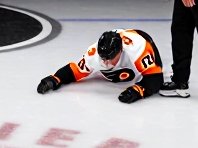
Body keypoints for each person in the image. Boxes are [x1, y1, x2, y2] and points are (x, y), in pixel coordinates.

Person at [36, 29, 164, 104]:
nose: (106, 62)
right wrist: (55, 79)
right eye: (103, 58)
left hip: (141, 37)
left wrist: (138, 91)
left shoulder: (137, 47)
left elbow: (156, 78)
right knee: (113, 74)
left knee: (149, 70)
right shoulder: (94, 54)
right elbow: (75, 71)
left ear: (121, 50)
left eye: (110, 58)